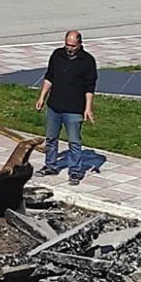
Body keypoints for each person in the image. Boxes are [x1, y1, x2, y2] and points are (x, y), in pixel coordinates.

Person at [35, 30, 97, 186]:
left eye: (73, 46)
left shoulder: (87, 61)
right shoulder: (57, 55)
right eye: (67, 45)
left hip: (74, 108)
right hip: (55, 105)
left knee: (74, 142)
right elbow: (49, 77)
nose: (69, 48)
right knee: (51, 138)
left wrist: (88, 108)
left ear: (80, 44)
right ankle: (50, 166)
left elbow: (90, 87)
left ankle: (75, 171)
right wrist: (42, 97)